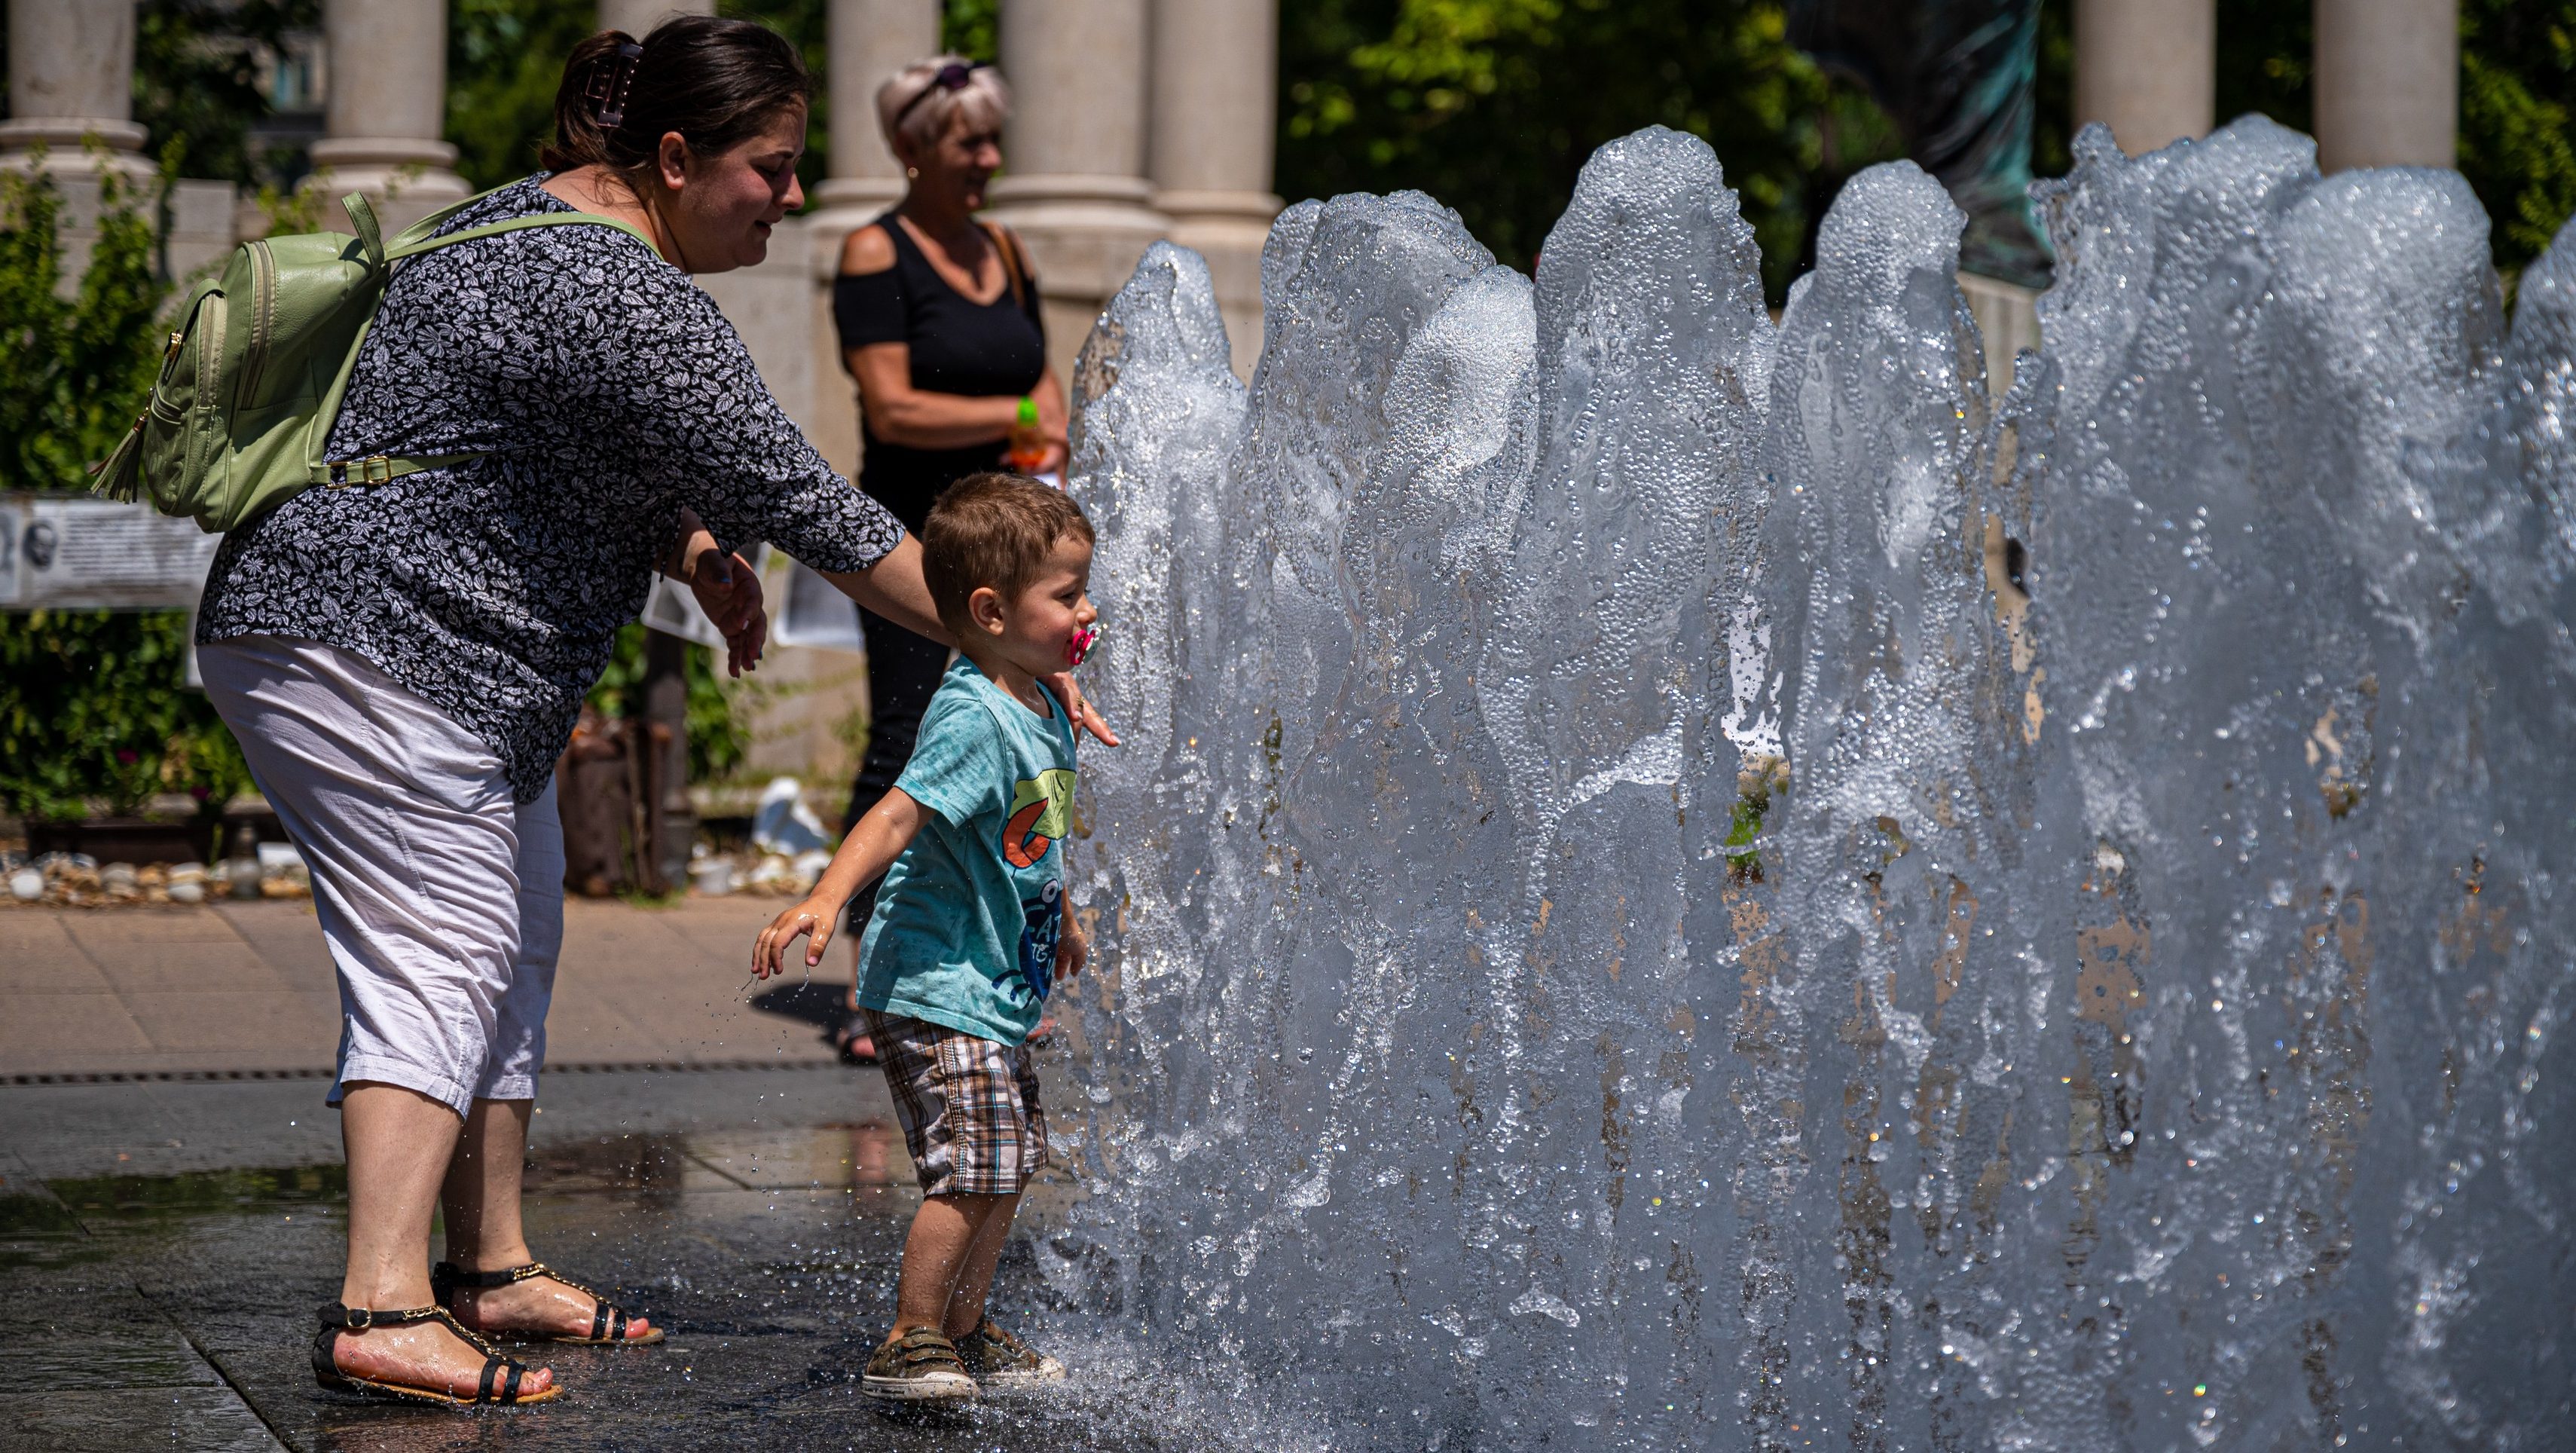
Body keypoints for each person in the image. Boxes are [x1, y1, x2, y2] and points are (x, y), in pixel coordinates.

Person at [193, 20, 1110, 1409]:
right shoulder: (625, 291)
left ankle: (488, 1265)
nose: (792, 197)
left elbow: (534, 427)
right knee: (443, 950)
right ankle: (381, 1300)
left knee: (516, 930)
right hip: (375, 642)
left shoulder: (522, 224)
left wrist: (688, 549)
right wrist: (1013, 635)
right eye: (773, 168)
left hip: (402, 644)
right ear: (674, 159)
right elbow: (825, 514)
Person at [753, 473, 1095, 1403]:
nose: (1086, 609)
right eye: (1065, 594)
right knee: (969, 1160)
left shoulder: (1036, 698)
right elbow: (901, 812)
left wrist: (1056, 913)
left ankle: (964, 1325)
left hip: (990, 985)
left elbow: (1031, 832)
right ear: (990, 609)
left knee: (1010, 1157)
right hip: (934, 983)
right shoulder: (972, 712)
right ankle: (909, 1334)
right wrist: (827, 895)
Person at [826, 56, 1069, 1065]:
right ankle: (869, 983)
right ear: (911, 149)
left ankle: (991, 964)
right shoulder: (874, 253)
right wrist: (1019, 418)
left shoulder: (1005, 248)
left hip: (1010, 539)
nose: (989, 160)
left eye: (991, 140)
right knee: (908, 734)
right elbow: (892, 407)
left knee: (1017, 739)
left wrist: (1044, 431)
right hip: (913, 540)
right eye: (969, 141)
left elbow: (1046, 382)